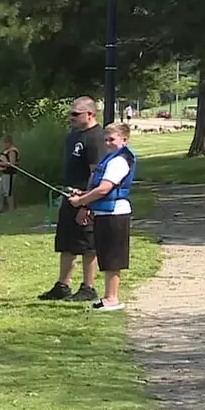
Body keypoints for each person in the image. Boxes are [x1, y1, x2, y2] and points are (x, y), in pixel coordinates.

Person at [38, 96, 105, 303]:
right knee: (66, 242)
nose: (71, 117)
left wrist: (86, 202)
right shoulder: (72, 136)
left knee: (87, 244)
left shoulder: (96, 138)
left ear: (90, 114)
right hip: (68, 196)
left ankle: (88, 287)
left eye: (75, 114)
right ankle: (63, 285)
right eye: (70, 113)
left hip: (84, 198)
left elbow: (97, 173)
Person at [67, 123, 136, 312]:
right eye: (106, 140)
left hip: (115, 213)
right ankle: (108, 297)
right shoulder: (111, 158)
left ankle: (113, 299)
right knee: (106, 255)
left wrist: (81, 201)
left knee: (113, 257)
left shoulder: (119, 161)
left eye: (112, 139)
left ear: (124, 140)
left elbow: (104, 188)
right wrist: (84, 196)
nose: (108, 143)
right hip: (105, 213)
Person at [0, 135, 20, 213]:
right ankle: (0, 208)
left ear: (8, 143)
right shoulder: (6, 150)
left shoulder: (12, 151)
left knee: (8, 192)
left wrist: (1, 164)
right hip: (4, 174)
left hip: (10, 174)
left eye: (5, 143)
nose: (3, 145)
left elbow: (12, 163)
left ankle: (11, 209)